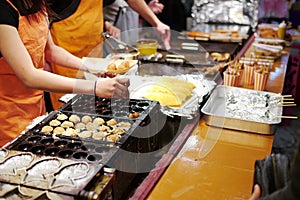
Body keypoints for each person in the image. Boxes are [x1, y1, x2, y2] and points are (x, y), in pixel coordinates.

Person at [0, 0, 129, 147]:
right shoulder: (4, 10)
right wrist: (94, 87)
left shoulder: (38, 4)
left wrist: (94, 67)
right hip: (8, 114)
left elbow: (51, 51)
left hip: (35, 105)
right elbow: (29, 76)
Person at [48, 0, 171, 110]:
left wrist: (156, 22)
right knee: (69, 108)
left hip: (93, 54)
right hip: (65, 58)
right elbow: (49, 49)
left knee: (94, 107)